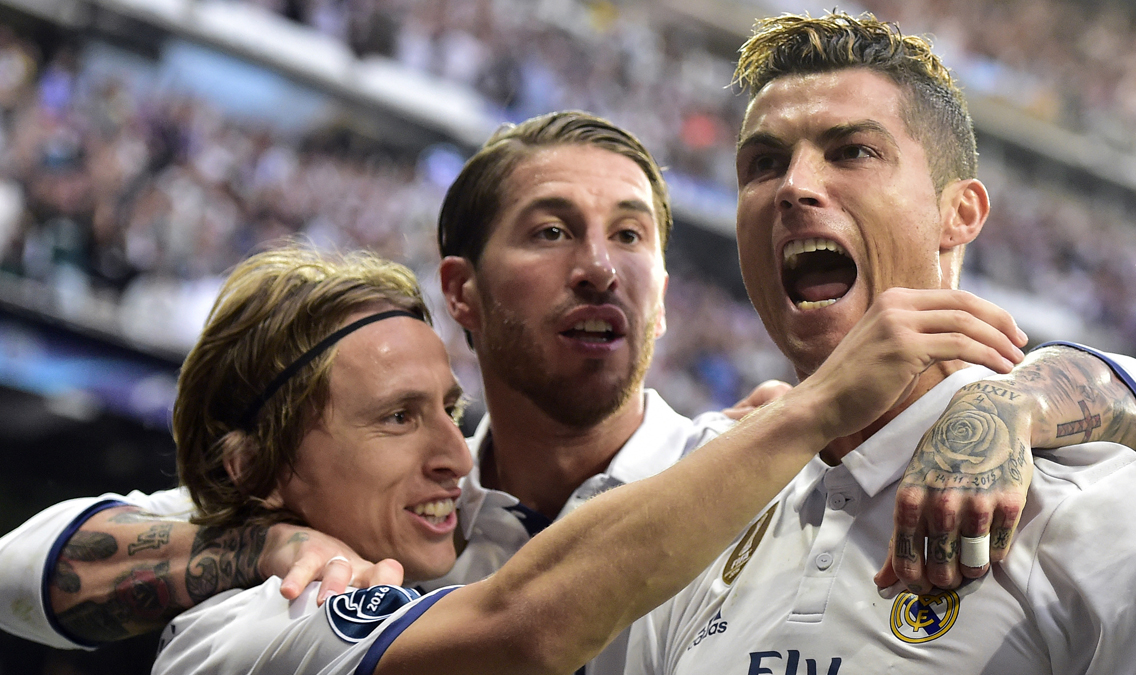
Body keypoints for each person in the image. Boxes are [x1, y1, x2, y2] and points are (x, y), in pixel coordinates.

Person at [0, 113, 1136, 673]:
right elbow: (27, 563)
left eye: (632, 236)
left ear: (665, 289)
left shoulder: (743, 470)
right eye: (552, 231)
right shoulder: (392, 522)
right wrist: (245, 550)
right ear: (460, 290)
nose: (601, 266)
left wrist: (1005, 407)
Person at [140, 243, 1028, 674]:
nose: (456, 453)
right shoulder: (252, 633)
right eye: (398, 417)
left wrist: (1011, 395)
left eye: (451, 410)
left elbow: (1127, 397)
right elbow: (531, 622)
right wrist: (813, 409)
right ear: (252, 467)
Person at [623, 12, 1136, 674]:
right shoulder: (696, 523)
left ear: (961, 214)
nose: (793, 187)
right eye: (764, 163)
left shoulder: (1100, 518)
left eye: (852, 151)